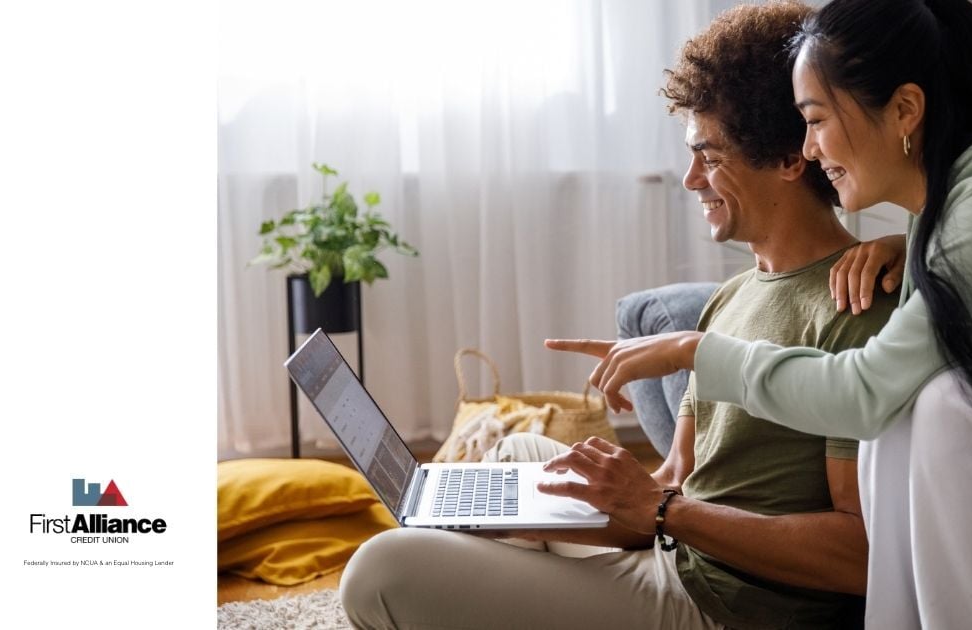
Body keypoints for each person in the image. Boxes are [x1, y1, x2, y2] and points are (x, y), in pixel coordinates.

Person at [548, 1, 972, 628]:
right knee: (905, 418)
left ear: (904, 109)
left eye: (815, 120)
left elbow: (866, 389)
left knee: (950, 408)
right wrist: (919, 252)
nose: (808, 147)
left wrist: (694, 352)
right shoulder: (970, 189)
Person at [340, 3, 896, 628]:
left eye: (710, 157)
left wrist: (660, 511)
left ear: (791, 160)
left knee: (379, 571)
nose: (690, 180)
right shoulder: (734, 294)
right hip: (672, 551)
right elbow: (678, 478)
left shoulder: (856, 301)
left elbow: (861, 555)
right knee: (521, 451)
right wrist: (623, 497)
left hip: (718, 605)